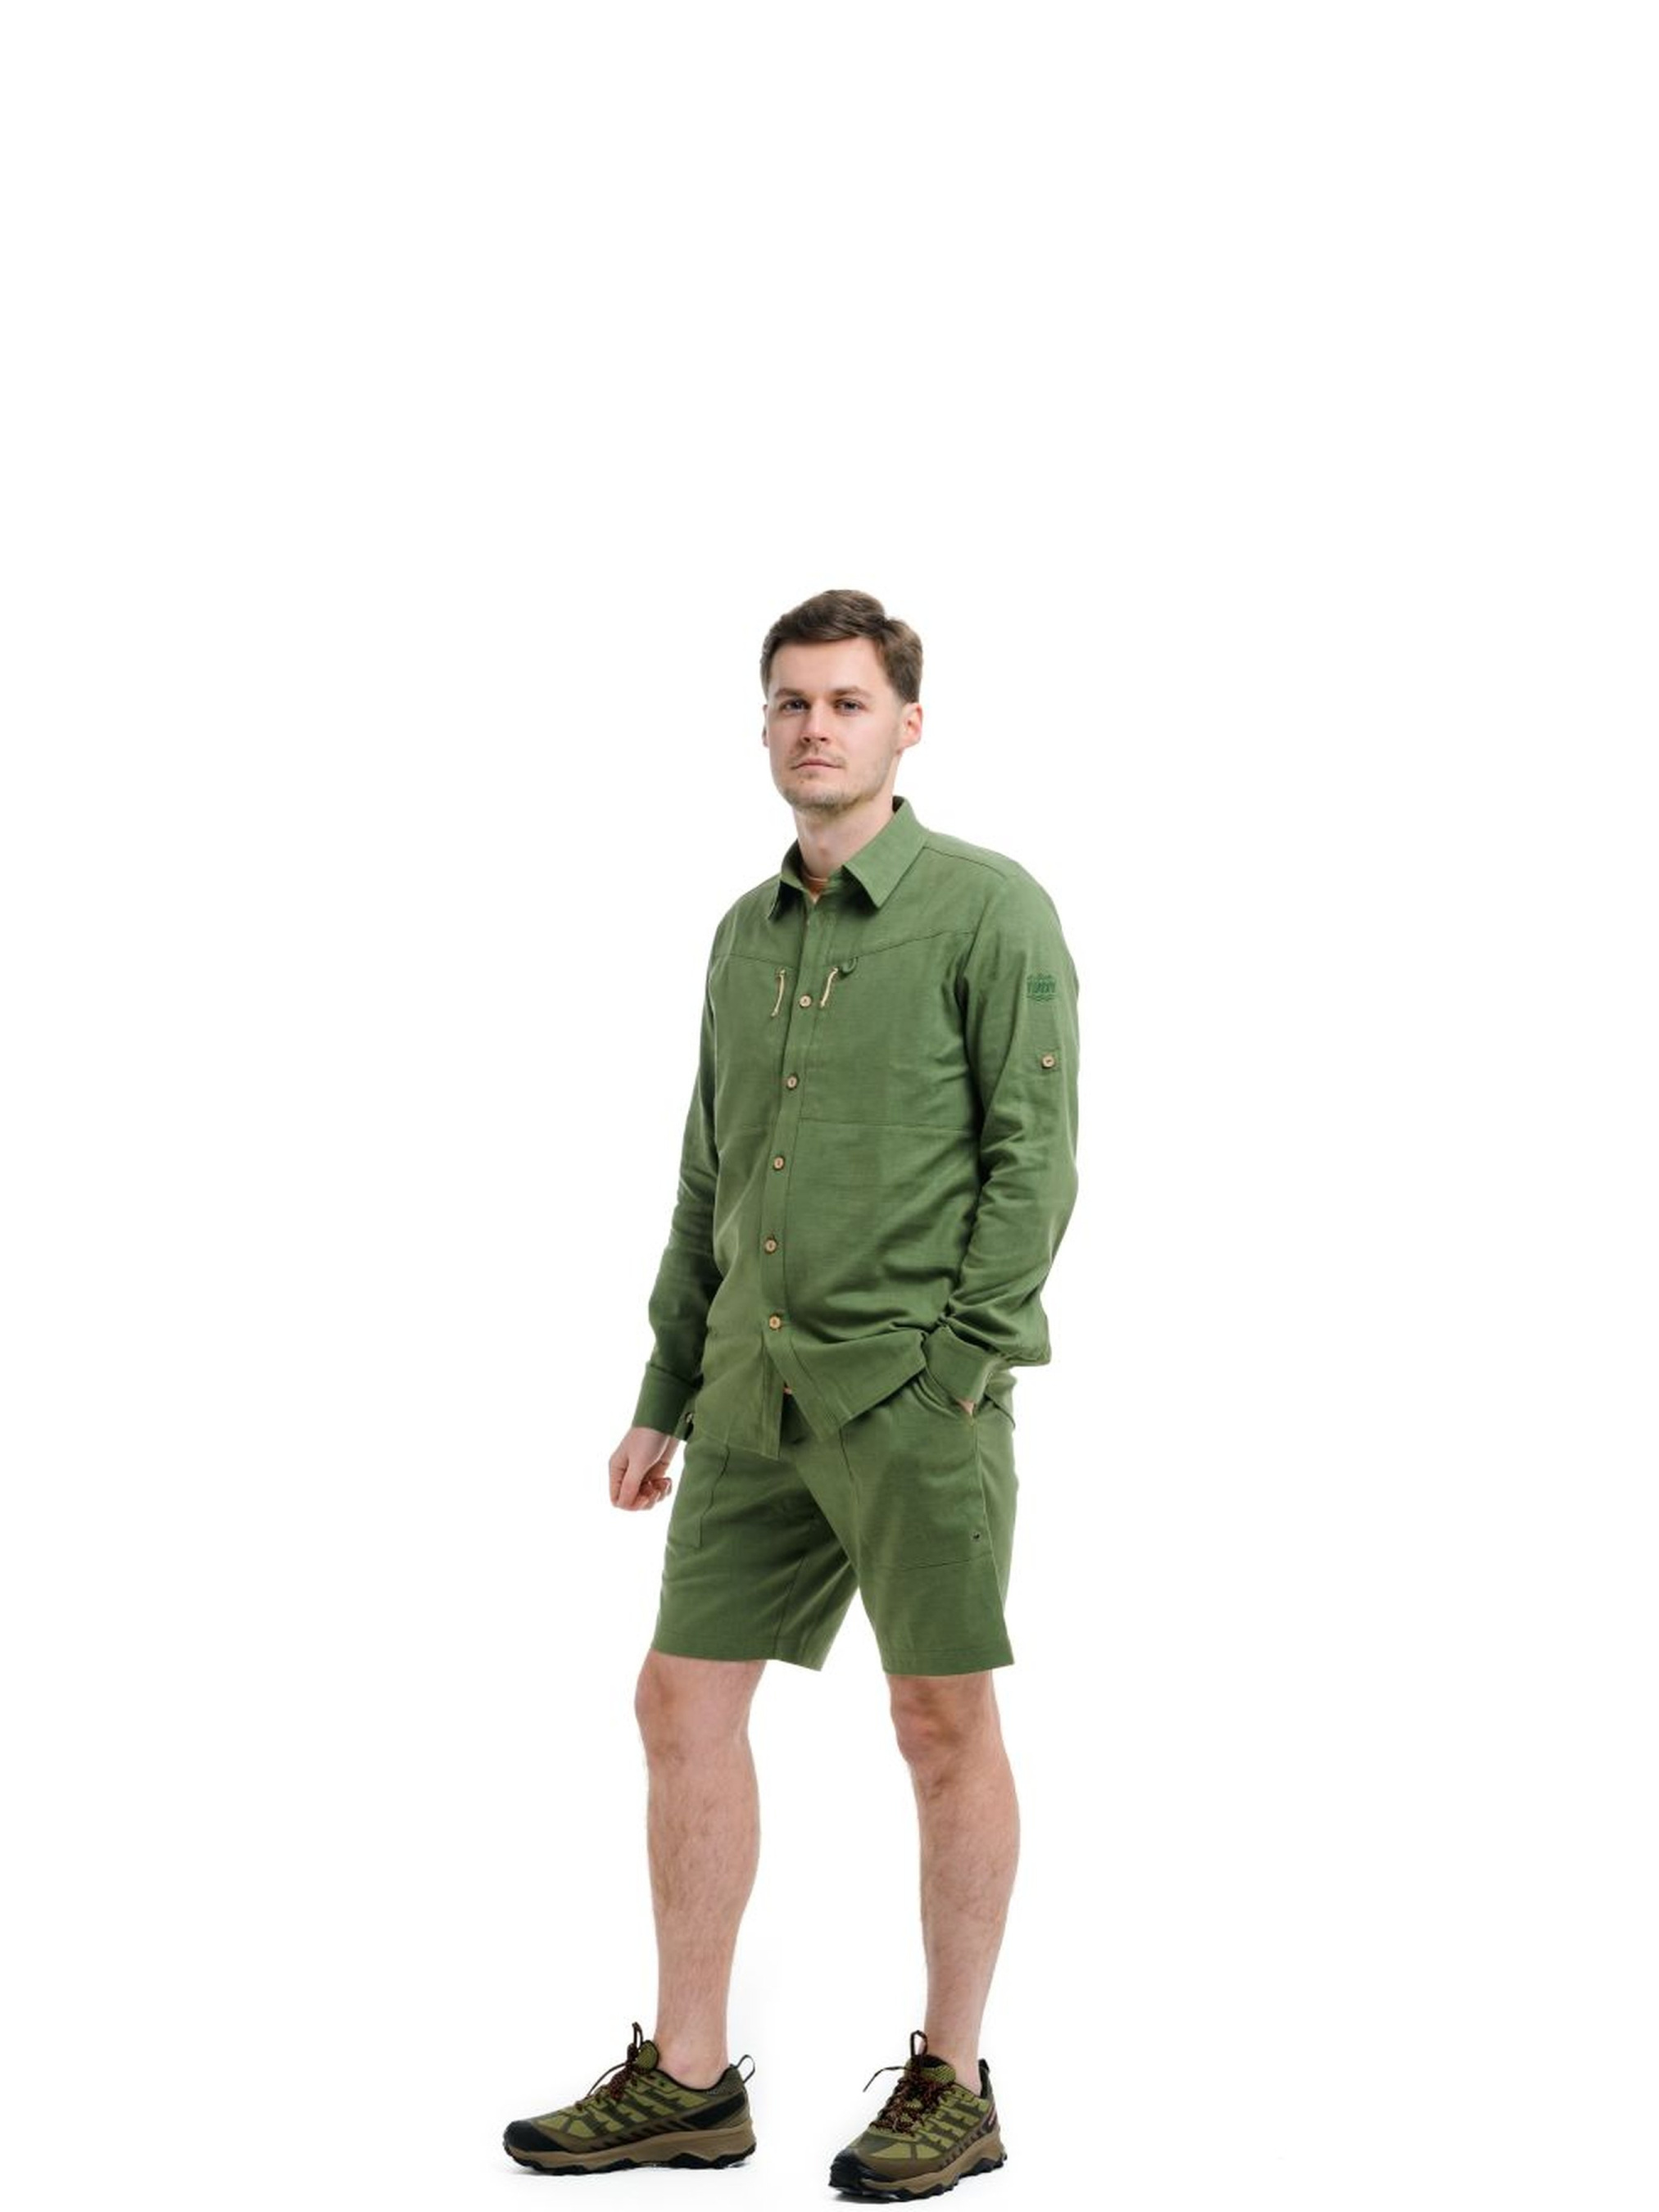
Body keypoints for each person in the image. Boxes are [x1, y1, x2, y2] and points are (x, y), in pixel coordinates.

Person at [504, 589, 1081, 2199]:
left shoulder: (988, 911)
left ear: (907, 725)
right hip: (747, 1393)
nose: (813, 727)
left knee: (938, 1721)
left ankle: (952, 2080)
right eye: (788, 703)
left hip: (913, 1401)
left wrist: (957, 1370)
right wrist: (663, 1390)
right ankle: (690, 2081)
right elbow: (712, 1173)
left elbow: (1033, 1164)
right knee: (677, 1701)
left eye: (844, 702)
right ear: (763, 726)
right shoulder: (741, 935)